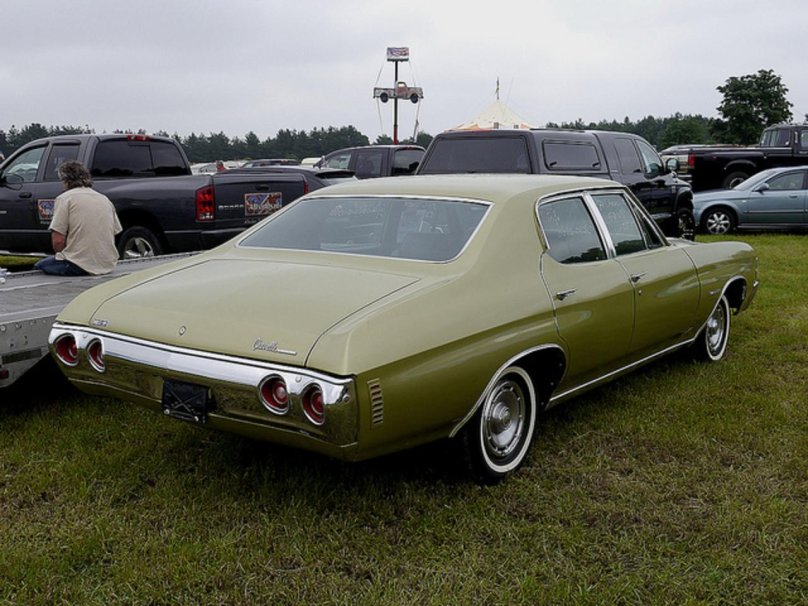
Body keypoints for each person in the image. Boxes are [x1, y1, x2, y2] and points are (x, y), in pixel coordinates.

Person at [34, 160, 122, 276]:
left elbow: (58, 241)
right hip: (108, 264)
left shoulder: (65, 199)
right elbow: (115, 231)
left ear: (65, 180)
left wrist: (63, 254)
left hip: (77, 264)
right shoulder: (104, 199)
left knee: (39, 266)